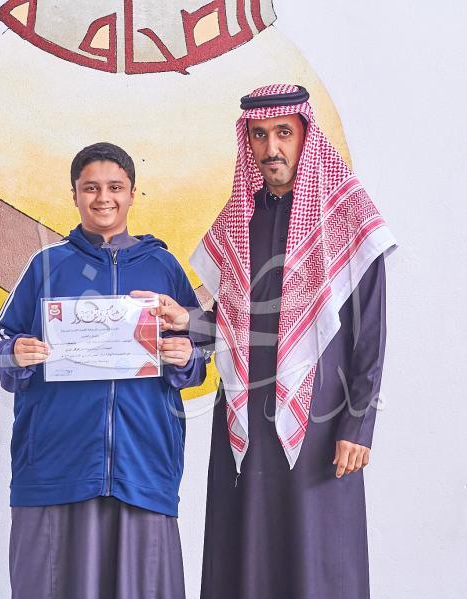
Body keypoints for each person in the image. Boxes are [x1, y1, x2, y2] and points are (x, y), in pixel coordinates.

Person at [189, 84, 397, 598]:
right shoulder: (238, 220)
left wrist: (358, 425)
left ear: (306, 133)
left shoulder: (348, 218)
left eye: (283, 132)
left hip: (322, 420)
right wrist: (177, 322)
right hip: (243, 416)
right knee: (243, 550)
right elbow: (223, 321)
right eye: (259, 136)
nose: (271, 148)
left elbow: (370, 333)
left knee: (319, 554)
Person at [0, 142, 207, 599]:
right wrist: (17, 352)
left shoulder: (163, 267)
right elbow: (1, 342)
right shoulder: (47, 264)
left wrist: (185, 355)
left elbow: (199, 354)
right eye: (90, 188)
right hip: (55, 463)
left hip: (143, 461)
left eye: (115, 187)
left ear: (132, 194)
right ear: (74, 194)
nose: (103, 198)